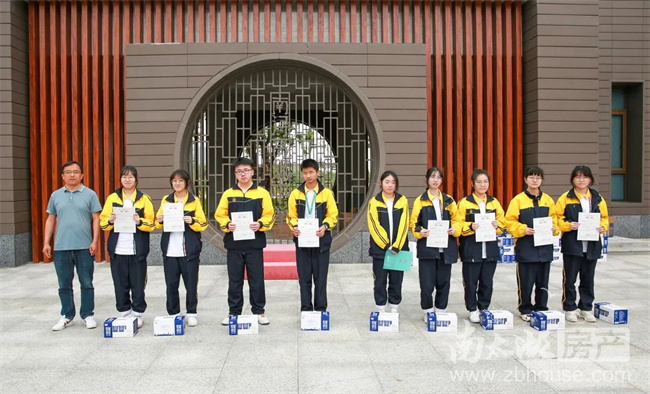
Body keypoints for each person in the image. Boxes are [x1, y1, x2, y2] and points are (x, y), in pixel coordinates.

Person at [215, 158, 276, 326]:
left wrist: (261, 224)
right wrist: (227, 224)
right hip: (234, 244)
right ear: (235, 174)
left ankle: (259, 311)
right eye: (239, 171)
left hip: (254, 243)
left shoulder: (262, 193)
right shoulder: (228, 194)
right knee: (234, 279)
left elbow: (269, 215)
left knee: (256, 279)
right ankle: (233, 312)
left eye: (246, 170)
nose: (243, 174)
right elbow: (219, 215)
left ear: (252, 172)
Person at [43, 161, 102, 331]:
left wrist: (95, 241)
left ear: (82, 175)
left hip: (84, 247)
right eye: (68, 172)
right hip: (61, 247)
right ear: (62, 176)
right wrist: (47, 242)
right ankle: (67, 315)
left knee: (86, 283)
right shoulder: (55, 196)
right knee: (64, 284)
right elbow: (50, 219)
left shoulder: (90, 194)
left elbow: (96, 218)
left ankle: (87, 314)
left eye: (76, 172)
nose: (72, 175)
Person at [99, 165, 155, 328]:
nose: (127, 179)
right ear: (120, 179)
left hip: (137, 250)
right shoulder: (112, 198)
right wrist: (109, 220)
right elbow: (103, 223)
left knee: (138, 284)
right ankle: (124, 312)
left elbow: (152, 224)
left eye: (131, 177)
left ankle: (137, 313)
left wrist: (140, 221)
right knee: (120, 283)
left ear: (136, 180)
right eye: (124, 176)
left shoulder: (144, 199)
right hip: (118, 249)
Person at [555, 165, 609, 323]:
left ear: (590, 179)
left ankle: (585, 307)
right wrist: (567, 225)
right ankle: (569, 308)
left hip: (591, 245)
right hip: (572, 244)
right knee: (570, 278)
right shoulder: (566, 197)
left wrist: (602, 227)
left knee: (588, 278)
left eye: (584, 177)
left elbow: (604, 217)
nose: (581, 180)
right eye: (578, 177)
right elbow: (557, 218)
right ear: (572, 179)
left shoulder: (597, 197)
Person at [155, 169, 208, 327]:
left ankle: (191, 312)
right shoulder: (166, 200)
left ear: (187, 183)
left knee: (191, 283)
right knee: (171, 284)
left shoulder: (194, 201)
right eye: (174, 181)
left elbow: (203, 224)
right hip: (170, 250)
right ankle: (174, 312)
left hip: (189, 250)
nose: (177, 183)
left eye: (180, 181)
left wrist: (192, 220)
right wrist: (161, 219)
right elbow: (157, 223)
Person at [505, 166, 558, 322]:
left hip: (544, 248)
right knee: (526, 282)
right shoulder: (518, 200)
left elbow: (554, 219)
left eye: (538, 177)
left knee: (543, 281)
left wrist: (554, 228)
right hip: (526, 247)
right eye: (531, 177)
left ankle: (541, 307)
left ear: (541, 180)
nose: (535, 180)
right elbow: (510, 221)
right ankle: (525, 308)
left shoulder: (548, 200)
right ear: (525, 179)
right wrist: (523, 229)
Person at [410, 167, 461, 323]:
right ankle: (427, 310)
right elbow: (414, 224)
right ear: (427, 179)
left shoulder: (449, 200)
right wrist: (420, 232)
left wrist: (455, 229)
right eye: (432, 177)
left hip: (446, 248)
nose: (435, 180)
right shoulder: (420, 200)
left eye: (439, 177)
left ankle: (441, 309)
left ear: (442, 181)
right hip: (427, 248)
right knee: (426, 283)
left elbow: (457, 221)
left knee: (443, 281)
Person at [286, 159, 339, 312]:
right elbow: (291, 215)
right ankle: (306, 310)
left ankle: (321, 309)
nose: (308, 176)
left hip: (321, 241)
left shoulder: (326, 193)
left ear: (317, 173)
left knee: (321, 277)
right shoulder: (295, 194)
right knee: (304, 278)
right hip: (302, 241)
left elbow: (333, 214)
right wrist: (294, 227)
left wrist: (325, 226)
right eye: (305, 173)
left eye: (311, 172)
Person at [457, 169, 506, 323]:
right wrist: (470, 226)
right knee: (470, 282)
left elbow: (503, 223)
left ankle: (483, 307)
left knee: (487, 281)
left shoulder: (494, 202)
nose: (482, 184)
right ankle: (472, 309)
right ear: (472, 184)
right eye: (479, 181)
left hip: (490, 249)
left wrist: (497, 225)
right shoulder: (464, 203)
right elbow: (458, 225)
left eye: (485, 181)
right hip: (471, 249)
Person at [367, 171, 410, 313]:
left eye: (393, 182)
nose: (390, 185)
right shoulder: (374, 201)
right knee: (379, 281)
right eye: (387, 182)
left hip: (399, 249)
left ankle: (394, 308)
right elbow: (374, 225)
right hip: (380, 250)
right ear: (381, 182)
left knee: (396, 281)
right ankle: (380, 308)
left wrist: (397, 246)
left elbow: (404, 224)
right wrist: (386, 245)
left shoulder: (402, 200)